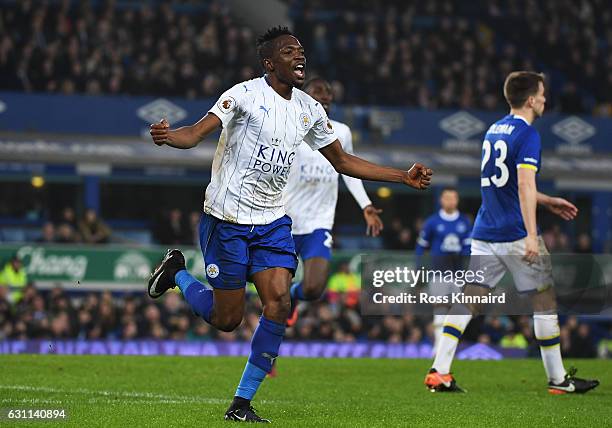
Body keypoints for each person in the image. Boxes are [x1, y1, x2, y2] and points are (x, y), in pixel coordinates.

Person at [147, 26, 432, 423]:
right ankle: (177, 273)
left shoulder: (309, 109)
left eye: (300, 50)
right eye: (288, 51)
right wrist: (167, 136)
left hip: (272, 222)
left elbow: (344, 162)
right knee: (227, 319)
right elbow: (194, 134)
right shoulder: (243, 95)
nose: (299, 56)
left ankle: (241, 404)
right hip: (226, 220)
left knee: (279, 302)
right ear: (269, 63)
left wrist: (401, 176)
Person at [424, 71, 599, 394]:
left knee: (469, 300)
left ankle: (439, 370)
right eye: (543, 94)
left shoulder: (494, 130)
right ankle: (559, 380)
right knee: (544, 300)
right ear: (531, 99)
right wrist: (532, 235)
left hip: (484, 230)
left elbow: (504, 184)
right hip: (515, 233)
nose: (545, 99)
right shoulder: (528, 134)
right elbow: (522, 184)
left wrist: (546, 202)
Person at [283, 77, 383, 325]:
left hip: (319, 223)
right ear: (303, 98)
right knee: (275, 299)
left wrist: (366, 205)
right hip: (283, 222)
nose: (324, 97)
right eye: (318, 94)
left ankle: (295, 296)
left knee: (314, 288)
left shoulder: (341, 132)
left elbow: (349, 170)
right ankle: (266, 361)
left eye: (327, 94)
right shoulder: (287, 128)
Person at [415, 187, 472, 354]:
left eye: (453, 198)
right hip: (438, 272)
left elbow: (468, 248)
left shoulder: (464, 221)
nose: (450, 201)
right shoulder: (432, 222)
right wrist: (419, 269)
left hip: (458, 273)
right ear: (441, 200)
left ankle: (450, 346)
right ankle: (439, 346)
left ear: (457, 200)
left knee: (458, 309)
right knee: (439, 309)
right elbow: (421, 247)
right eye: (447, 198)